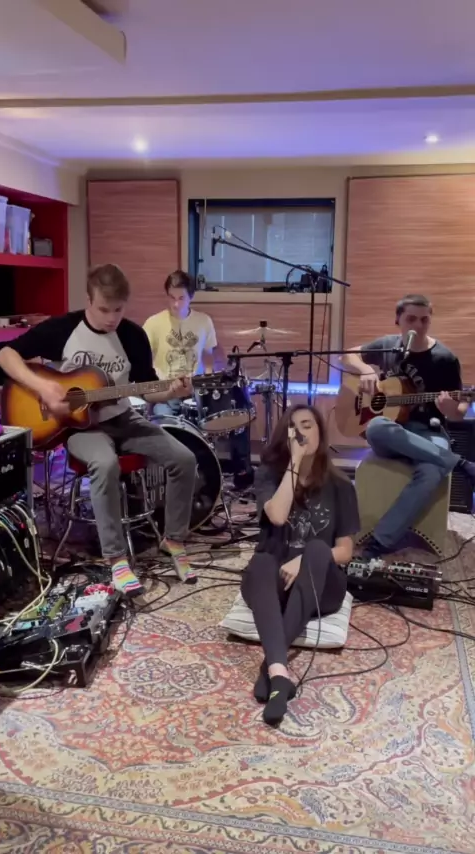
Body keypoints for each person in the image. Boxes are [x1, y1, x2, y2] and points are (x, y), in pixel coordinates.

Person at [0, 263, 200, 592]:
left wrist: (173, 391)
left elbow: (148, 389)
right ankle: (116, 559)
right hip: (80, 428)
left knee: (185, 458)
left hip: (124, 419)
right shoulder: (63, 329)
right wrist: (44, 387)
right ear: (88, 300)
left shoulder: (132, 335)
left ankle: (174, 540)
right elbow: (5, 354)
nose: (111, 318)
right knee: (105, 464)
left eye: (118, 310)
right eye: (104, 309)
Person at [241, 404, 360, 727]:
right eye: (294, 428)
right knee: (262, 559)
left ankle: (270, 666)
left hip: (321, 585)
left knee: (319, 549)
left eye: (308, 425)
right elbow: (278, 516)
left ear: (320, 431)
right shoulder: (268, 475)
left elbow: (345, 551)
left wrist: (304, 560)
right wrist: (294, 463)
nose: (302, 433)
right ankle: (280, 674)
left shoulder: (341, 486)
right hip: (273, 583)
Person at [342, 293, 475, 558]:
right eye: (411, 319)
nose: (418, 325)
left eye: (424, 320)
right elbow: (348, 356)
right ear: (398, 320)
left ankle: (379, 541)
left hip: (428, 433)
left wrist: (450, 409)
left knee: (433, 472)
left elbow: (459, 412)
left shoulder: (444, 358)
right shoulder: (387, 346)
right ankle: (459, 462)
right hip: (390, 433)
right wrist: (366, 370)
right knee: (376, 426)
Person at [143, 270, 254, 489]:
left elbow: (209, 358)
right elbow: (143, 362)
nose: (176, 304)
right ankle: (168, 483)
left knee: (236, 411)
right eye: (171, 297)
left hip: (195, 392)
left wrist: (209, 380)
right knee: (164, 428)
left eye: (181, 298)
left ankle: (232, 474)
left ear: (191, 296)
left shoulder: (203, 321)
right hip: (166, 393)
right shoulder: (153, 323)